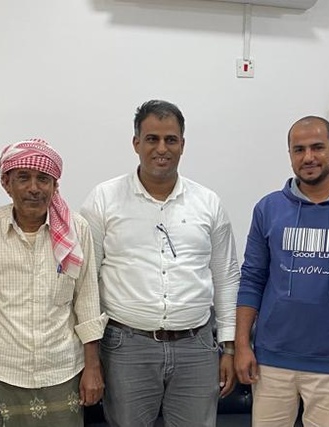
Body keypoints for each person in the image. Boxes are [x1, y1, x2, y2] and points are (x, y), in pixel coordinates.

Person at [80, 99, 240, 427]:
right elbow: (85, 282)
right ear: (136, 143)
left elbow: (225, 276)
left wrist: (229, 347)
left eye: (171, 139)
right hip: (126, 348)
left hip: (197, 348)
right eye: (152, 139)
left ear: (182, 144)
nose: (161, 148)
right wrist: (91, 356)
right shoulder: (103, 199)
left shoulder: (208, 203)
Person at [234, 115, 329, 426]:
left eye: (317, 147)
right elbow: (252, 279)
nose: (308, 157)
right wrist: (241, 345)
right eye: (299, 149)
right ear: (290, 155)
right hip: (271, 361)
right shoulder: (268, 208)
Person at [0, 139, 107, 427]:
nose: (34, 188)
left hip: (63, 371)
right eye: (23, 178)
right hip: (3, 372)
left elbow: (88, 304)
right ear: (6, 183)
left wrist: (93, 368)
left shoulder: (76, 229)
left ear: (55, 186)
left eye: (43, 179)